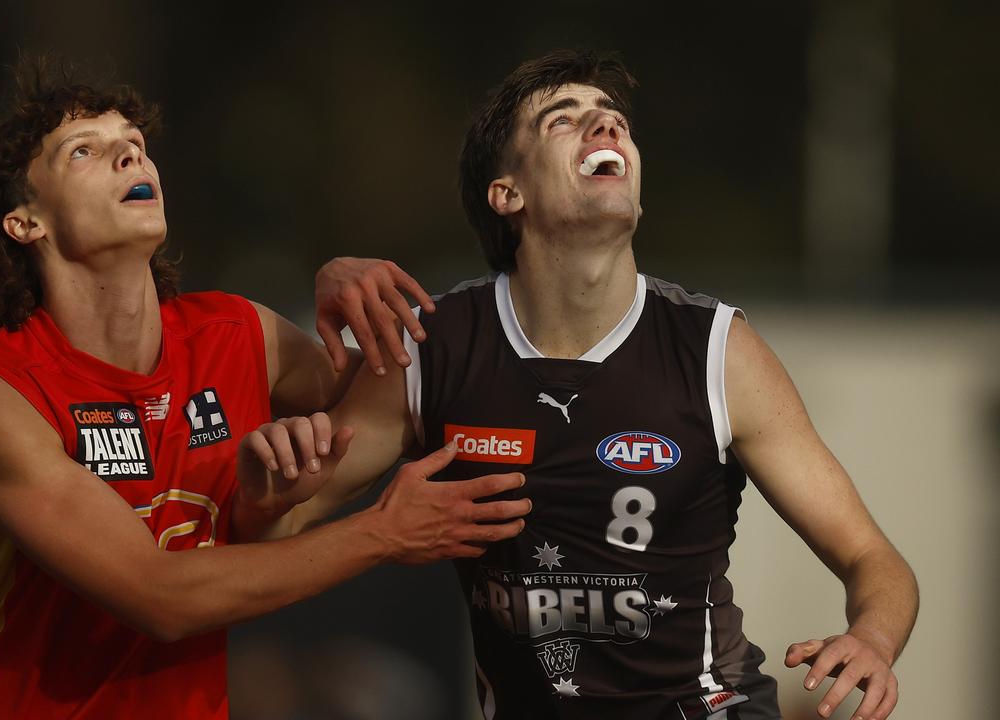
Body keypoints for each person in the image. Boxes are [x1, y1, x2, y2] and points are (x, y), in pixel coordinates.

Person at [267, 50, 918, 719]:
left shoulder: (719, 352)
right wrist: (273, 482)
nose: (605, 130)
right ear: (507, 192)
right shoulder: (432, 349)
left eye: (614, 122)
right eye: (564, 120)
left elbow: (873, 557)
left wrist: (871, 637)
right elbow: (275, 531)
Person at [0, 55, 531, 719]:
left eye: (135, 145)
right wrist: (380, 534)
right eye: (84, 151)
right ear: (24, 222)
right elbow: (161, 598)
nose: (130, 158)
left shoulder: (239, 333)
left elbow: (412, 393)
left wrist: (348, 288)